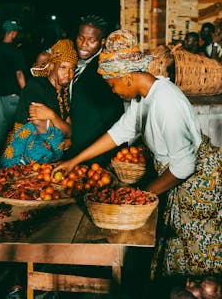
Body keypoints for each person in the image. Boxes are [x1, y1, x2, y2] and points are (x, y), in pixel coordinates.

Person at [53, 30, 221, 279]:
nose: (113, 91)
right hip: (175, 177)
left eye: (113, 85)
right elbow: (120, 132)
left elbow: (185, 166)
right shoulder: (145, 97)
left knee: (195, 265)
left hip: (196, 184)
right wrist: (74, 161)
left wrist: (142, 195)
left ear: (128, 79)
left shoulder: (165, 102)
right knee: (175, 256)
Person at [0, 39, 78, 167]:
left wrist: (52, 116)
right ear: (52, 66)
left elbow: (69, 131)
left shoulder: (64, 93)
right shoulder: (36, 86)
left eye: (72, 69)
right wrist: (63, 140)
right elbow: (39, 123)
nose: (68, 74)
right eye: (63, 67)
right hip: (23, 155)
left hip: (43, 159)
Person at [65, 15, 124, 166]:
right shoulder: (74, 61)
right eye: (81, 38)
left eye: (92, 41)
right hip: (75, 142)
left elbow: (114, 114)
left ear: (102, 42)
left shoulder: (105, 69)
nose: (84, 45)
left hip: (95, 150)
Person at [0, 20, 27, 167]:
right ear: (12, 33)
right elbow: (19, 74)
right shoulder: (15, 51)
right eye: (16, 31)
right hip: (13, 96)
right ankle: (12, 164)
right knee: (17, 129)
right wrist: (26, 94)